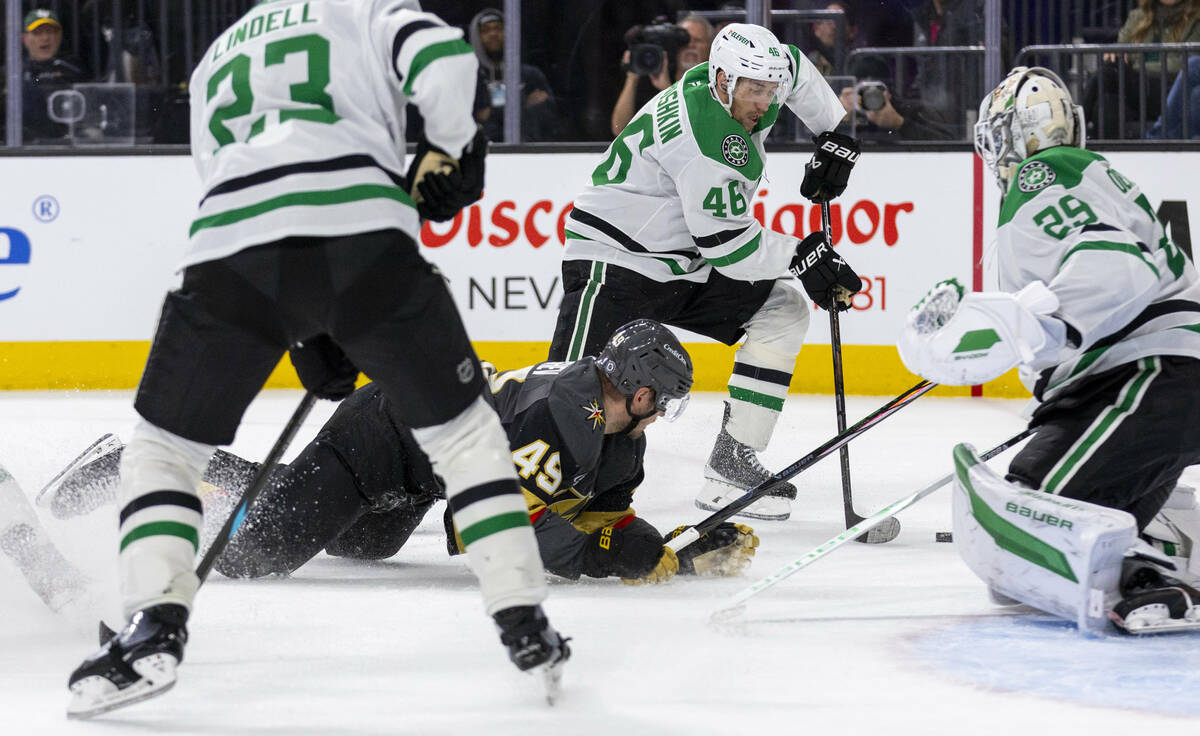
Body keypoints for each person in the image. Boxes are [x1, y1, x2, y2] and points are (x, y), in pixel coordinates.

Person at [64, 0, 568, 719]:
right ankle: (524, 624)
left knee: (166, 452)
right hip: (365, 237)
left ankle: (153, 627)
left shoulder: (217, 55)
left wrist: (305, 329)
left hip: (232, 250)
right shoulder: (370, 13)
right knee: (464, 437)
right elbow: (450, 66)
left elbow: (245, 192)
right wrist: (451, 147)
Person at [41, 321, 759, 588]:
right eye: (659, 399)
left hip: (417, 472)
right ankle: (134, 461)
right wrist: (605, 560)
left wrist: (673, 548)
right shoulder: (566, 413)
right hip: (380, 439)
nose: (663, 415)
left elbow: (602, 512)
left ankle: (247, 479)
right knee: (253, 557)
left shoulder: (614, 429)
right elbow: (491, 527)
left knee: (366, 546)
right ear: (633, 390)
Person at [900, 66, 1200, 634]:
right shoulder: (1079, 177)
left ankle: (1146, 561)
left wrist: (1045, 325)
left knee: (1033, 521)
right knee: (1037, 527)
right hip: (1147, 380)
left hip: (1148, 376)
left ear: (1021, 133)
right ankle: (1152, 550)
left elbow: (1118, 266)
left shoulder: (1044, 172)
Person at [550, 23, 863, 522]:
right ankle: (523, 503)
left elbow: (798, 69)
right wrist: (804, 255)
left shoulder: (756, 76)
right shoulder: (705, 136)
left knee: (781, 311)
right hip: (618, 261)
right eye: (753, 91)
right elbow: (729, 248)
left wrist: (836, 133)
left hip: (681, 260)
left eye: (769, 90)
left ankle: (732, 463)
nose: (764, 102)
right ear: (721, 80)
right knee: (569, 393)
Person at [1084, 0, 1200, 138]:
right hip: (1138, 89)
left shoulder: (1197, 18)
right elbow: (1120, 51)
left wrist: (1136, 64)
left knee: (1108, 73)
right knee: (1105, 104)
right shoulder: (1138, 16)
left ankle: (1073, 126)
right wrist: (1114, 53)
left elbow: (1184, 64)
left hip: (1173, 90)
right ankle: (1113, 156)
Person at [610, 14, 713, 136]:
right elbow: (620, 130)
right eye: (684, 40)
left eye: (698, 40)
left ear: (711, 46)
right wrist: (632, 77)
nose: (690, 45)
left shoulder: (715, 86)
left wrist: (667, 89)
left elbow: (697, 132)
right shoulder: (653, 78)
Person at [468, 8, 561, 142]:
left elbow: (551, 122)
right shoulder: (469, 78)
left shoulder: (529, 75)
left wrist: (490, 113)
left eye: (499, 28)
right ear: (476, 37)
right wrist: (523, 105)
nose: (493, 34)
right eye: (485, 30)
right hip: (484, 153)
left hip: (527, 153)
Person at [836, 54, 952, 141]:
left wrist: (899, 123)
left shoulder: (910, 111)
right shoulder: (847, 111)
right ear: (852, 90)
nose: (870, 97)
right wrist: (840, 118)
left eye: (877, 89)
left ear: (888, 90)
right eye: (862, 90)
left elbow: (947, 145)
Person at [17, 9, 89, 142]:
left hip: (65, 141)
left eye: (50, 32)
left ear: (59, 36)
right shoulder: (13, 72)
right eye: (37, 33)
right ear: (24, 38)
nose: (45, 38)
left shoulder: (72, 68)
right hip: (22, 143)